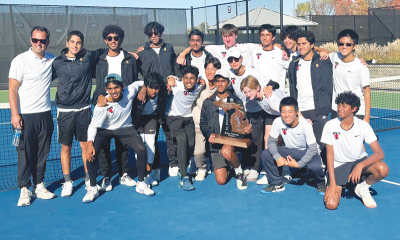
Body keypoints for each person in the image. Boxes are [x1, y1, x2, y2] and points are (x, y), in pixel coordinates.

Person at [52, 30, 108, 197]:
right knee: (66, 147)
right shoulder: (57, 63)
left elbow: (107, 51)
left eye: (78, 43)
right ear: (67, 43)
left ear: (82, 45)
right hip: (64, 112)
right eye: (72, 42)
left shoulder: (88, 58)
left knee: (86, 146)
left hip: (84, 110)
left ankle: (89, 180)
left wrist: (135, 53)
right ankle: (67, 182)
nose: (75, 45)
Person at [84, 74, 153, 203]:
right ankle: (92, 188)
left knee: (142, 149)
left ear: (123, 87)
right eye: (110, 89)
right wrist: (89, 143)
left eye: (116, 87)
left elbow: (140, 82)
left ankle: (141, 183)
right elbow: (93, 126)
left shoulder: (130, 91)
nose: (114, 91)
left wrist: (144, 88)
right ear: (106, 90)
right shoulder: (101, 105)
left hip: (125, 128)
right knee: (91, 154)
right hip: (105, 130)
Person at [9, 26, 56, 206]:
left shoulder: (51, 59)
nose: (39, 43)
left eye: (42, 41)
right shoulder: (20, 60)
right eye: (35, 40)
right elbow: (12, 89)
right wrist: (15, 114)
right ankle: (24, 190)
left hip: (45, 114)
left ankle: (39, 185)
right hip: (25, 116)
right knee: (25, 154)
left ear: (47, 42)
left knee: (42, 153)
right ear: (31, 40)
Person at [91, 25, 140, 191]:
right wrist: (98, 95)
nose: (113, 41)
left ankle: (123, 173)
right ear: (106, 40)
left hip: (123, 105)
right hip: (104, 104)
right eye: (110, 38)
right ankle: (106, 176)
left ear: (121, 40)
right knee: (103, 144)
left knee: (123, 143)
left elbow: (136, 80)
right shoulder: (98, 58)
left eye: (116, 38)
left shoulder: (130, 59)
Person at [322, 91, 388, 209]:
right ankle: (348, 184)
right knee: (331, 205)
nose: (340, 108)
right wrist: (332, 183)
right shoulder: (330, 125)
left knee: (382, 169)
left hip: (358, 161)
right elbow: (330, 156)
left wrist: (360, 166)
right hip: (339, 166)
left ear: (354, 108)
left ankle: (362, 187)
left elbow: (379, 153)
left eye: (344, 106)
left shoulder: (363, 126)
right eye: (338, 105)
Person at [226, 46, 279, 182]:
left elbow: (274, 83)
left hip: (258, 111)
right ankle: (248, 165)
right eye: (230, 60)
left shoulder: (252, 72)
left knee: (256, 140)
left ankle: (256, 168)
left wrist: (270, 86)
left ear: (241, 59)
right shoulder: (229, 73)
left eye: (236, 59)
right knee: (245, 138)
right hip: (243, 112)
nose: (233, 62)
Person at [136, 21, 179, 177]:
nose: (154, 36)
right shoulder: (142, 52)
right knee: (151, 137)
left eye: (156, 33)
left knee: (170, 133)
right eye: (151, 34)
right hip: (151, 99)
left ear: (161, 33)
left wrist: (171, 78)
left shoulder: (170, 49)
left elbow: (174, 68)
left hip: (167, 98)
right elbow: (135, 72)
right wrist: (143, 88)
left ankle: (173, 163)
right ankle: (154, 168)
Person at [260, 97, 326, 194]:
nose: (286, 115)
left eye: (290, 112)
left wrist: (299, 164)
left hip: (306, 151)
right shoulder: (277, 121)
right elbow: (271, 142)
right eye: (283, 112)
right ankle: (277, 183)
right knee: (266, 154)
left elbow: (312, 149)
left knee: (315, 166)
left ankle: (321, 182)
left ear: (296, 112)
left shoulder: (305, 124)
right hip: (289, 151)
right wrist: (277, 157)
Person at [200, 69, 252, 189]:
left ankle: (239, 172)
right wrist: (209, 134)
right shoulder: (208, 102)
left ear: (228, 83)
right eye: (217, 81)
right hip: (216, 145)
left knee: (226, 151)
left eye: (223, 81)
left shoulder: (237, 101)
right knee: (221, 181)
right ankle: (231, 164)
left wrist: (245, 129)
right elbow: (203, 123)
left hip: (232, 141)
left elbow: (242, 122)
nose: (220, 84)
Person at [287, 30, 333, 160]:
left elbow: (344, 56)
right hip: (301, 111)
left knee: (322, 145)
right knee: (304, 145)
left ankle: (325, 172)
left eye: (304, 44)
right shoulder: (294, 63)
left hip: (318, 110)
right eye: (299, 44)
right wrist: (296, 110)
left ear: (312, 45)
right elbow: (292, 89)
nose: (301, 47)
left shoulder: (324, 60)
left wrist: (362, 60)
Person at [240, 75, 285, 185]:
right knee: (267, 140)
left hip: (283, 112)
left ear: (258, 88)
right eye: (245, 92)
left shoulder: (269, 97)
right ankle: (269, 171)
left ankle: (282, 171)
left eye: (249, 91)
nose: (247, 95)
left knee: (279, 141)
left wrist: (302, 119)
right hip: (271, 113)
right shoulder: (256, 96)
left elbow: (287, 109)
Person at [167, 66, 203, 190]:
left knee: (191, 144)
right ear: (182, 79)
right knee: (182, 140)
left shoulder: (199, 87)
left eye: (192, 78)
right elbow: (169, 79)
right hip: (174, 118)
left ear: (196, 79)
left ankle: (183, 165)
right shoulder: (177, 86)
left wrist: (202, 81)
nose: (189, 81)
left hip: (188, 119)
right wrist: (170, 78)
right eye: (186, 78)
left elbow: (206, 80)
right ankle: (184, 177)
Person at [132, 72, 169, 186]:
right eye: (150, 88)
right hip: (137, 120)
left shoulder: (162, 91)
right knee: (140, 147)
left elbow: (174, 81)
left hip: (152, 118)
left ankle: (147, 173)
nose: (154, 91)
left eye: (156, 88)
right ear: (145, 86)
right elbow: (132, 86)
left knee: (151, 144)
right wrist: (142, 88)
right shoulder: (138, 89)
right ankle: (141, 175)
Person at [329, 29, 371, 122]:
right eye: (341, 44)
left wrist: (367, 116)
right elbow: (320, 50)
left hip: (355, 112)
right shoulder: (335, 57)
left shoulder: (361, 66)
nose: (344, 47)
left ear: (354, 46)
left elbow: (367, 92)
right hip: (337, 110)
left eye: (348, 44)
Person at [177, 24, 260, 70]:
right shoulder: (216, 49)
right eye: (225, 36)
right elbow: (196, 46)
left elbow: (266, 46)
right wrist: (183, 54)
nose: (227, 39)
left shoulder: (248, 47)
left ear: (236, 36)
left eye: (230, 36)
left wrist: (274, 45)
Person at [191, 57, 220, 181]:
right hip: (199, 125)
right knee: (198, 152)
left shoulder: (222, 87)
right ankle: (201, 168)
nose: (210, 71)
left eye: (213, 69)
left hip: (216, 127)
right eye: (207, 69)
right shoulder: (199, 84)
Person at [251, 24, 290, 92]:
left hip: (277, 95)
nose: (265, 38)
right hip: (260, 96)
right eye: (262, 35)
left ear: (273, 37)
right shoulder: (254, 52)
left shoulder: (282, 54)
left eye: (268, 35)